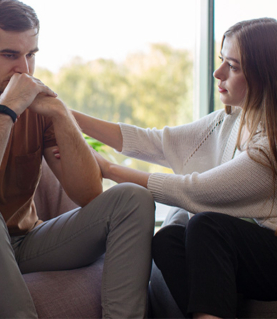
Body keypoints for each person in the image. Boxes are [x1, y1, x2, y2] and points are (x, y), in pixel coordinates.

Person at [0, 0, 155, 318]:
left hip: (21, 243)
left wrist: (61, 116)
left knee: (133, 200)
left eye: (30, 54)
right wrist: (5, 111)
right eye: (9, 55)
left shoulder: (36, 105)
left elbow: (89, 194)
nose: (23, 68)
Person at [70, 17, 277, 318]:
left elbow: (193, 192)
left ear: (263, 75)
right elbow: (155, 142)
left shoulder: (270, 145)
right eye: (221, 61)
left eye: (232, 67)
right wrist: (66, 115)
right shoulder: (230, 120)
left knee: (207, 225)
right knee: (167, 241)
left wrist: (108, 169)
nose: (217, 73)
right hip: (244, 254)